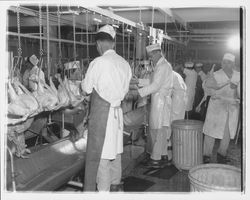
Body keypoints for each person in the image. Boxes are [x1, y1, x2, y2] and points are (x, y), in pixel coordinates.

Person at [81, 24, 132, 192]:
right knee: (116, 154)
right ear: (113, 43)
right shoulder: (125, 64)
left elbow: (86, 88)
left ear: (99, 43)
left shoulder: (98, 62)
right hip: (117, 115)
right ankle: (117, 187)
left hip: (103, 117)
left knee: (101, 159)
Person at [136, 43, 173, 167]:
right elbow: (152, 81)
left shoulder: (162, 66)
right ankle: (162, 154)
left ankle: (155, 158)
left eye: (151, 56)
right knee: (161, 129)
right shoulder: (161, 65)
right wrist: (138, 81)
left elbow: (156, 85)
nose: (150, 58)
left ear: (158, 53)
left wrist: (138, 92)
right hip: (159, 100)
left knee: (157, 130)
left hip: (160, 101)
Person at [202, 53, 240, 164]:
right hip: (217, 107)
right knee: (211, 132)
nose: (225, 64)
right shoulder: (216, 74)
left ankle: (222, 154)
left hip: (232, 108)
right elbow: (207, 88)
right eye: (224, 62)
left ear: (233, 64)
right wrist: (209, 82)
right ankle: (206, 155)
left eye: (228, 62)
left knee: (227, 132)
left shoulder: (239, 76)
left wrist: (237, 87)